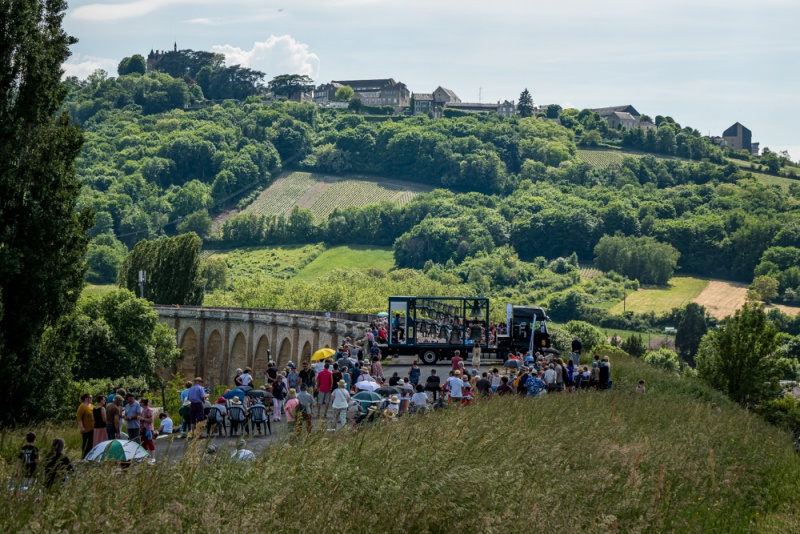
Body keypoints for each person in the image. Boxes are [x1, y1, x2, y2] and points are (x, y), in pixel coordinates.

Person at [77, 393, 94, 458]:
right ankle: (84, 457)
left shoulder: (92, 406)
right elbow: (79, 417)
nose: (91, 399)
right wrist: (82, 427)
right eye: (90, 397)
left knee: (91, 444)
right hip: (86, 429)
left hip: (92, 428)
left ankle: (89, 457)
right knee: (86, 444)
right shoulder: (82, 406)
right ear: (86, 398)